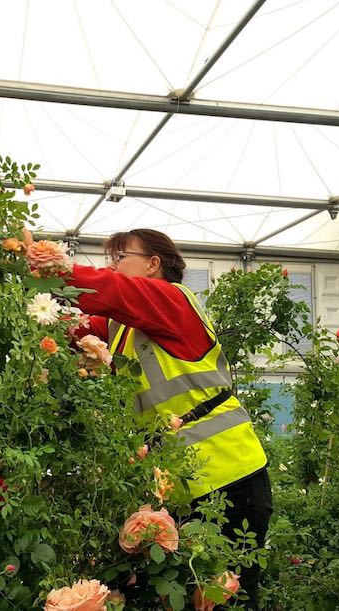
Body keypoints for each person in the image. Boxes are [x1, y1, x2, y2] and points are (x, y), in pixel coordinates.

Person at [25, 227, 271, 608]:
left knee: (227, 598)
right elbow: (70, 326)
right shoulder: (120, 328)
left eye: (121, 257)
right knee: (191, 598)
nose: (112, 266)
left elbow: (110, 290)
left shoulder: (172, 300)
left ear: (154, 263)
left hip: (230, 476)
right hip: (182, 487)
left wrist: (42, 263)